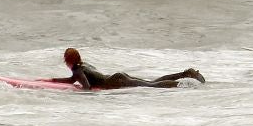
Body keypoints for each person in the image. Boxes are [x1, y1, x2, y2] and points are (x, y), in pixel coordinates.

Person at [47, 47, 204, 90]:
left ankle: (181, 83)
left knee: (152, 86)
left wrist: (70, 89)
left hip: (116, 82)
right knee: (150, 83)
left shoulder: (77, 70)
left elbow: (86, 87)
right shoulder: (83, 65)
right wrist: (54, 80)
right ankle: (184, 74)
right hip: (116, 78)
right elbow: (76, 80)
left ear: (68, 60)